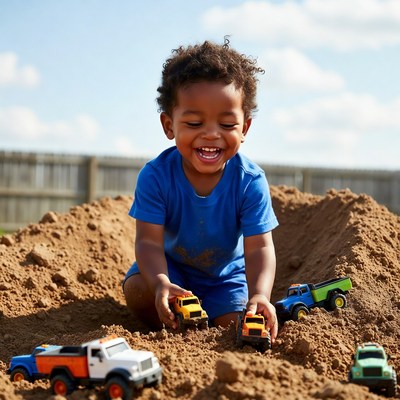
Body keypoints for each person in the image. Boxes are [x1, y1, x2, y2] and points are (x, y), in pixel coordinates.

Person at [123, 37, 279, 342]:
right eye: (194, 123)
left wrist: (259, 295)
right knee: (138, 290)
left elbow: (259, 247)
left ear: (244, 128)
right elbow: (148, 244)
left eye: (226, 124)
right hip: (172, 269)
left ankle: (209, 320)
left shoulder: (250, 181)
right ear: (169, 126)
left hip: (226, 278)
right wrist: (160, 284)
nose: (211, 134)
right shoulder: (155, 176)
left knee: (239, 327)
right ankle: (172, 323)